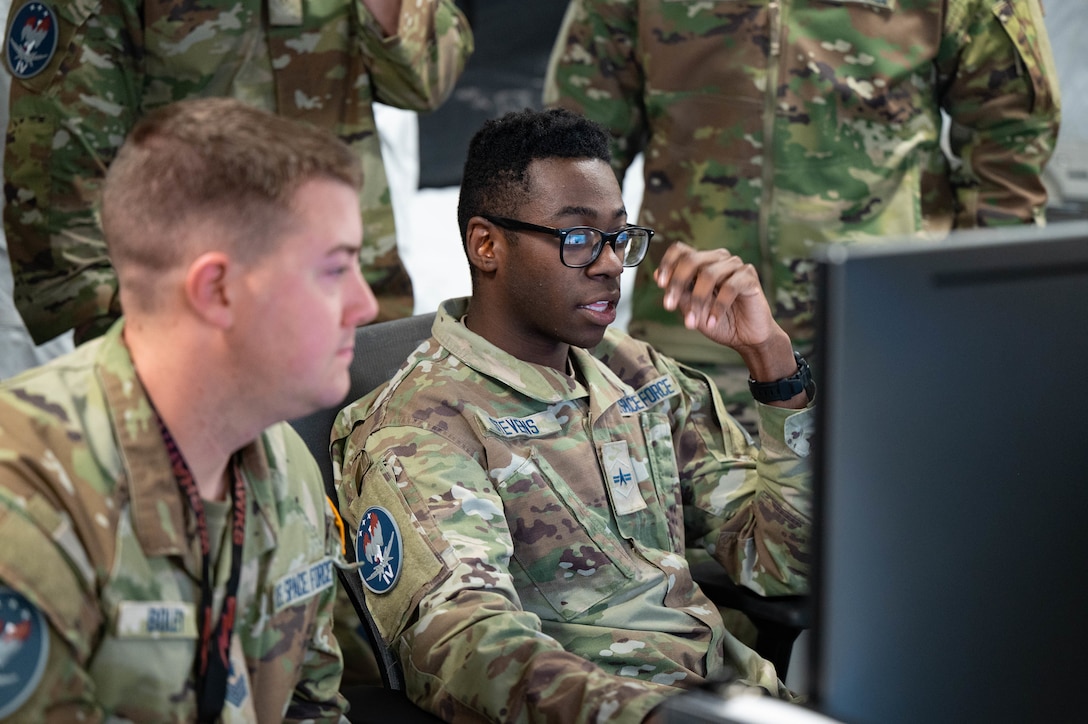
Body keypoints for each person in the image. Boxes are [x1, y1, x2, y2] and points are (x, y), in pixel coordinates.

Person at [332, 108, 814, 723]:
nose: (610, 263)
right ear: (487, 245)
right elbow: (467, 646)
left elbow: (782, 561)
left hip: (743, 699)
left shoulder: (635, 374)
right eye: (577, 238)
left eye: (618, 236)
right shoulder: (424, 427)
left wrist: (773, 364)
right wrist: (657, 715)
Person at [0, 97, 378, 721]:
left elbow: (313, 708)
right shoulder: (28, 496)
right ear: (218, 290)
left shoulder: (286, 466)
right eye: (334, 270)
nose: (364, 305)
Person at [544, 0, 1060, 430]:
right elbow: (572, 149)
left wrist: (982, 334)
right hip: (692, 345)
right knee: (687, 545)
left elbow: (1010, 142)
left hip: (886, 342)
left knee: (887, 537)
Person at [2, 0, 472, 346]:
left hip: (356, 309)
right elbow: (55, 185)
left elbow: (426, 81)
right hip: (202, 330)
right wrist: (139, 349)